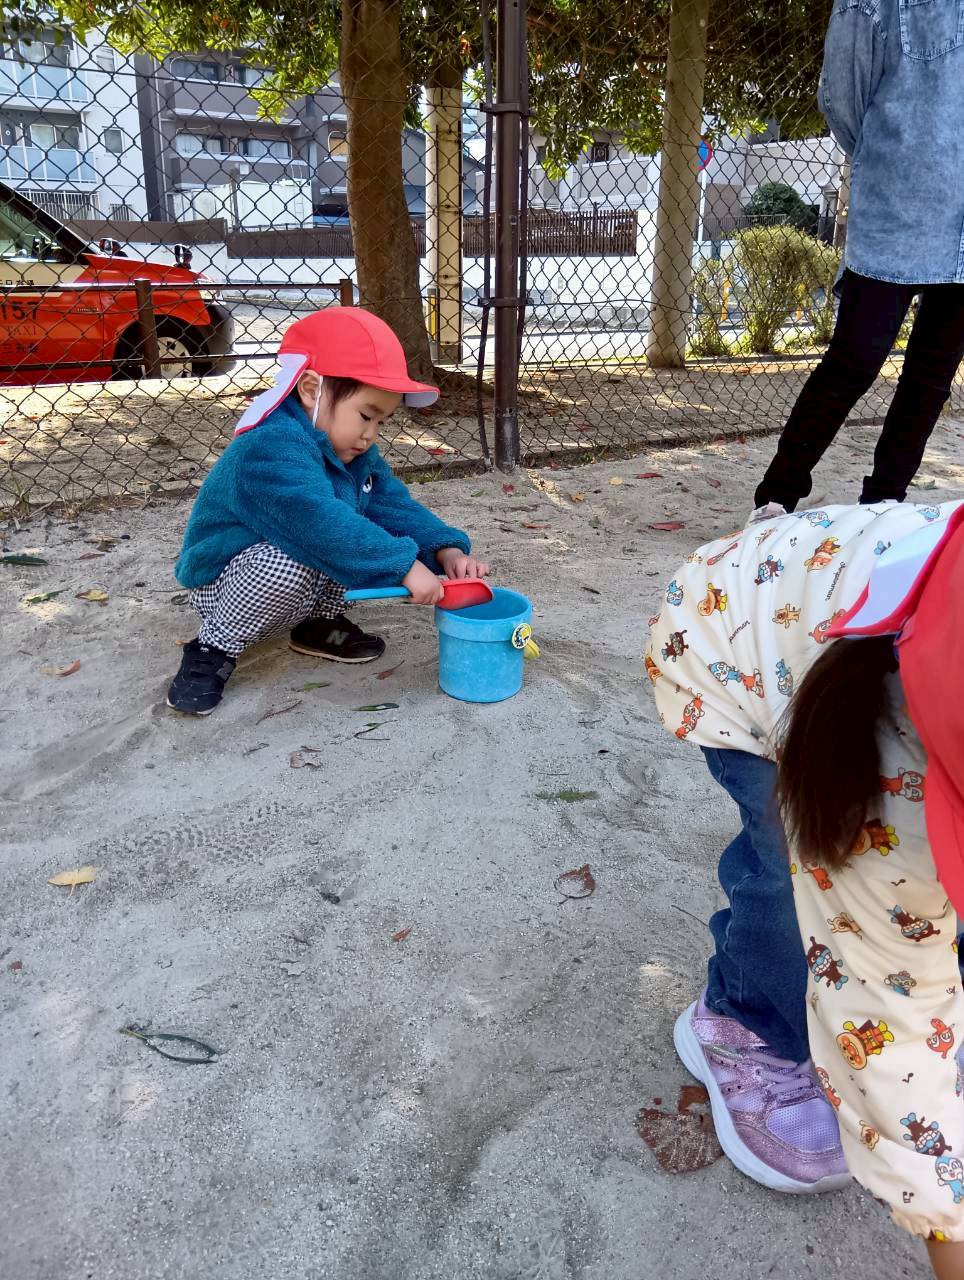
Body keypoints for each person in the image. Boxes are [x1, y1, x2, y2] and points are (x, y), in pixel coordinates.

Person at [645, 500, 964, 1274]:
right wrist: (946, 1218)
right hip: (731, 640)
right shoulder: (896, 779)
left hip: (830, 596)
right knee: (789, 869)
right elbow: (890, 1011)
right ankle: (739, 1017)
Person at [167, 307, 488, 714]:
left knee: (357, 528)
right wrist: (402, 564)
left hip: (297, 568)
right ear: (310, 389)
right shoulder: (268, 447)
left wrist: (445, 550)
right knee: (315, 548)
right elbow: (316, 521)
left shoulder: (352, 451)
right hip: (227, 583)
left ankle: (317, 624)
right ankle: (213, 647)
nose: (370, 435)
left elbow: (391, 504)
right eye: (366, 415)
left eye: (381, 422)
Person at [753, 0, 964, 520]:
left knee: (932, 376)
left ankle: (883, 504)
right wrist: (885, 157)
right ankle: (776, 498)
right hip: (898, 205)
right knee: (855, 359)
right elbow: (843, 98)